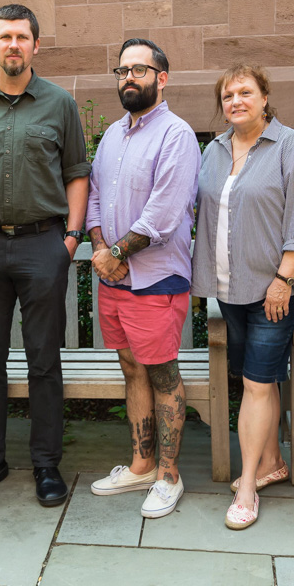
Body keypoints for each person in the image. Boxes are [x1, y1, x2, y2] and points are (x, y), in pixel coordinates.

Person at [0, 3, 91, 507]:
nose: (13, 45)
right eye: (5, 37)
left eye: (22, 37)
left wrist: (69, 239)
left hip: (41, 244)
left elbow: (77, 172)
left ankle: (47, 464)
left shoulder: (59, 104)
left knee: (43, 360)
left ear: (35, 45)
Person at [192, 64, 294, 531]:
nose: (236, 101)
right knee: (253, 381)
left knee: (256, 384)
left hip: (275, 292)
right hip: (230, 287)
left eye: (245, 92)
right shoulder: (214, 150)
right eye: (228, 95)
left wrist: (283, 280)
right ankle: (270, 460)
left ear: (265, 97)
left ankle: (247, 487)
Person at [85, 38, 200, 518]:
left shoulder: (177, 134)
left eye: (139, 69)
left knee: (163, 373)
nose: (128, 77)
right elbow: (93, 195)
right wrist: (98, 248)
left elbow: (166, 212)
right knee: (132, 368)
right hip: (112, 278)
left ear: (162, 78)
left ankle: (169, 476)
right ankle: (141, 465)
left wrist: (116, 253)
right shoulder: (113, 134)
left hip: (155, 280)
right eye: (122, 70)